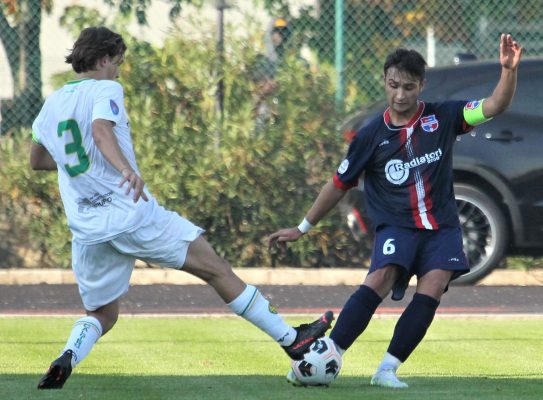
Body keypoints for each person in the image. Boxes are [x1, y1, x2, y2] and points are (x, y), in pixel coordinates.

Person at [31, 27, 334, 390]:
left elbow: (37, 160)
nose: (118, 71)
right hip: (132, 215)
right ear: (102, 59)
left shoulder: (52, 102)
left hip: (88, 230)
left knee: (101, 314)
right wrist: (123, 168)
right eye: (117, 63)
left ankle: (68, 355)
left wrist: (77, 165)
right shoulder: (106, 88)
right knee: (217, 269)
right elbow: (100, 131)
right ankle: (292, 339)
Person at [269, 34, 523, 388]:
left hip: (442, 228)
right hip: (397, 227)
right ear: (385, 81)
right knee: (381, 277)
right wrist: (302, 227)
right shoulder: (370, 136)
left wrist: (508, 71)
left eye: (408, 87)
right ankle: (328, 354)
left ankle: (386, 370)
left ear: (421, 85)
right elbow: (339, 183)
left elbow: (495, 104)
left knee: (433, 287)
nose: (400, 95)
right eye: (393, 85)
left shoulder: (444, 117)